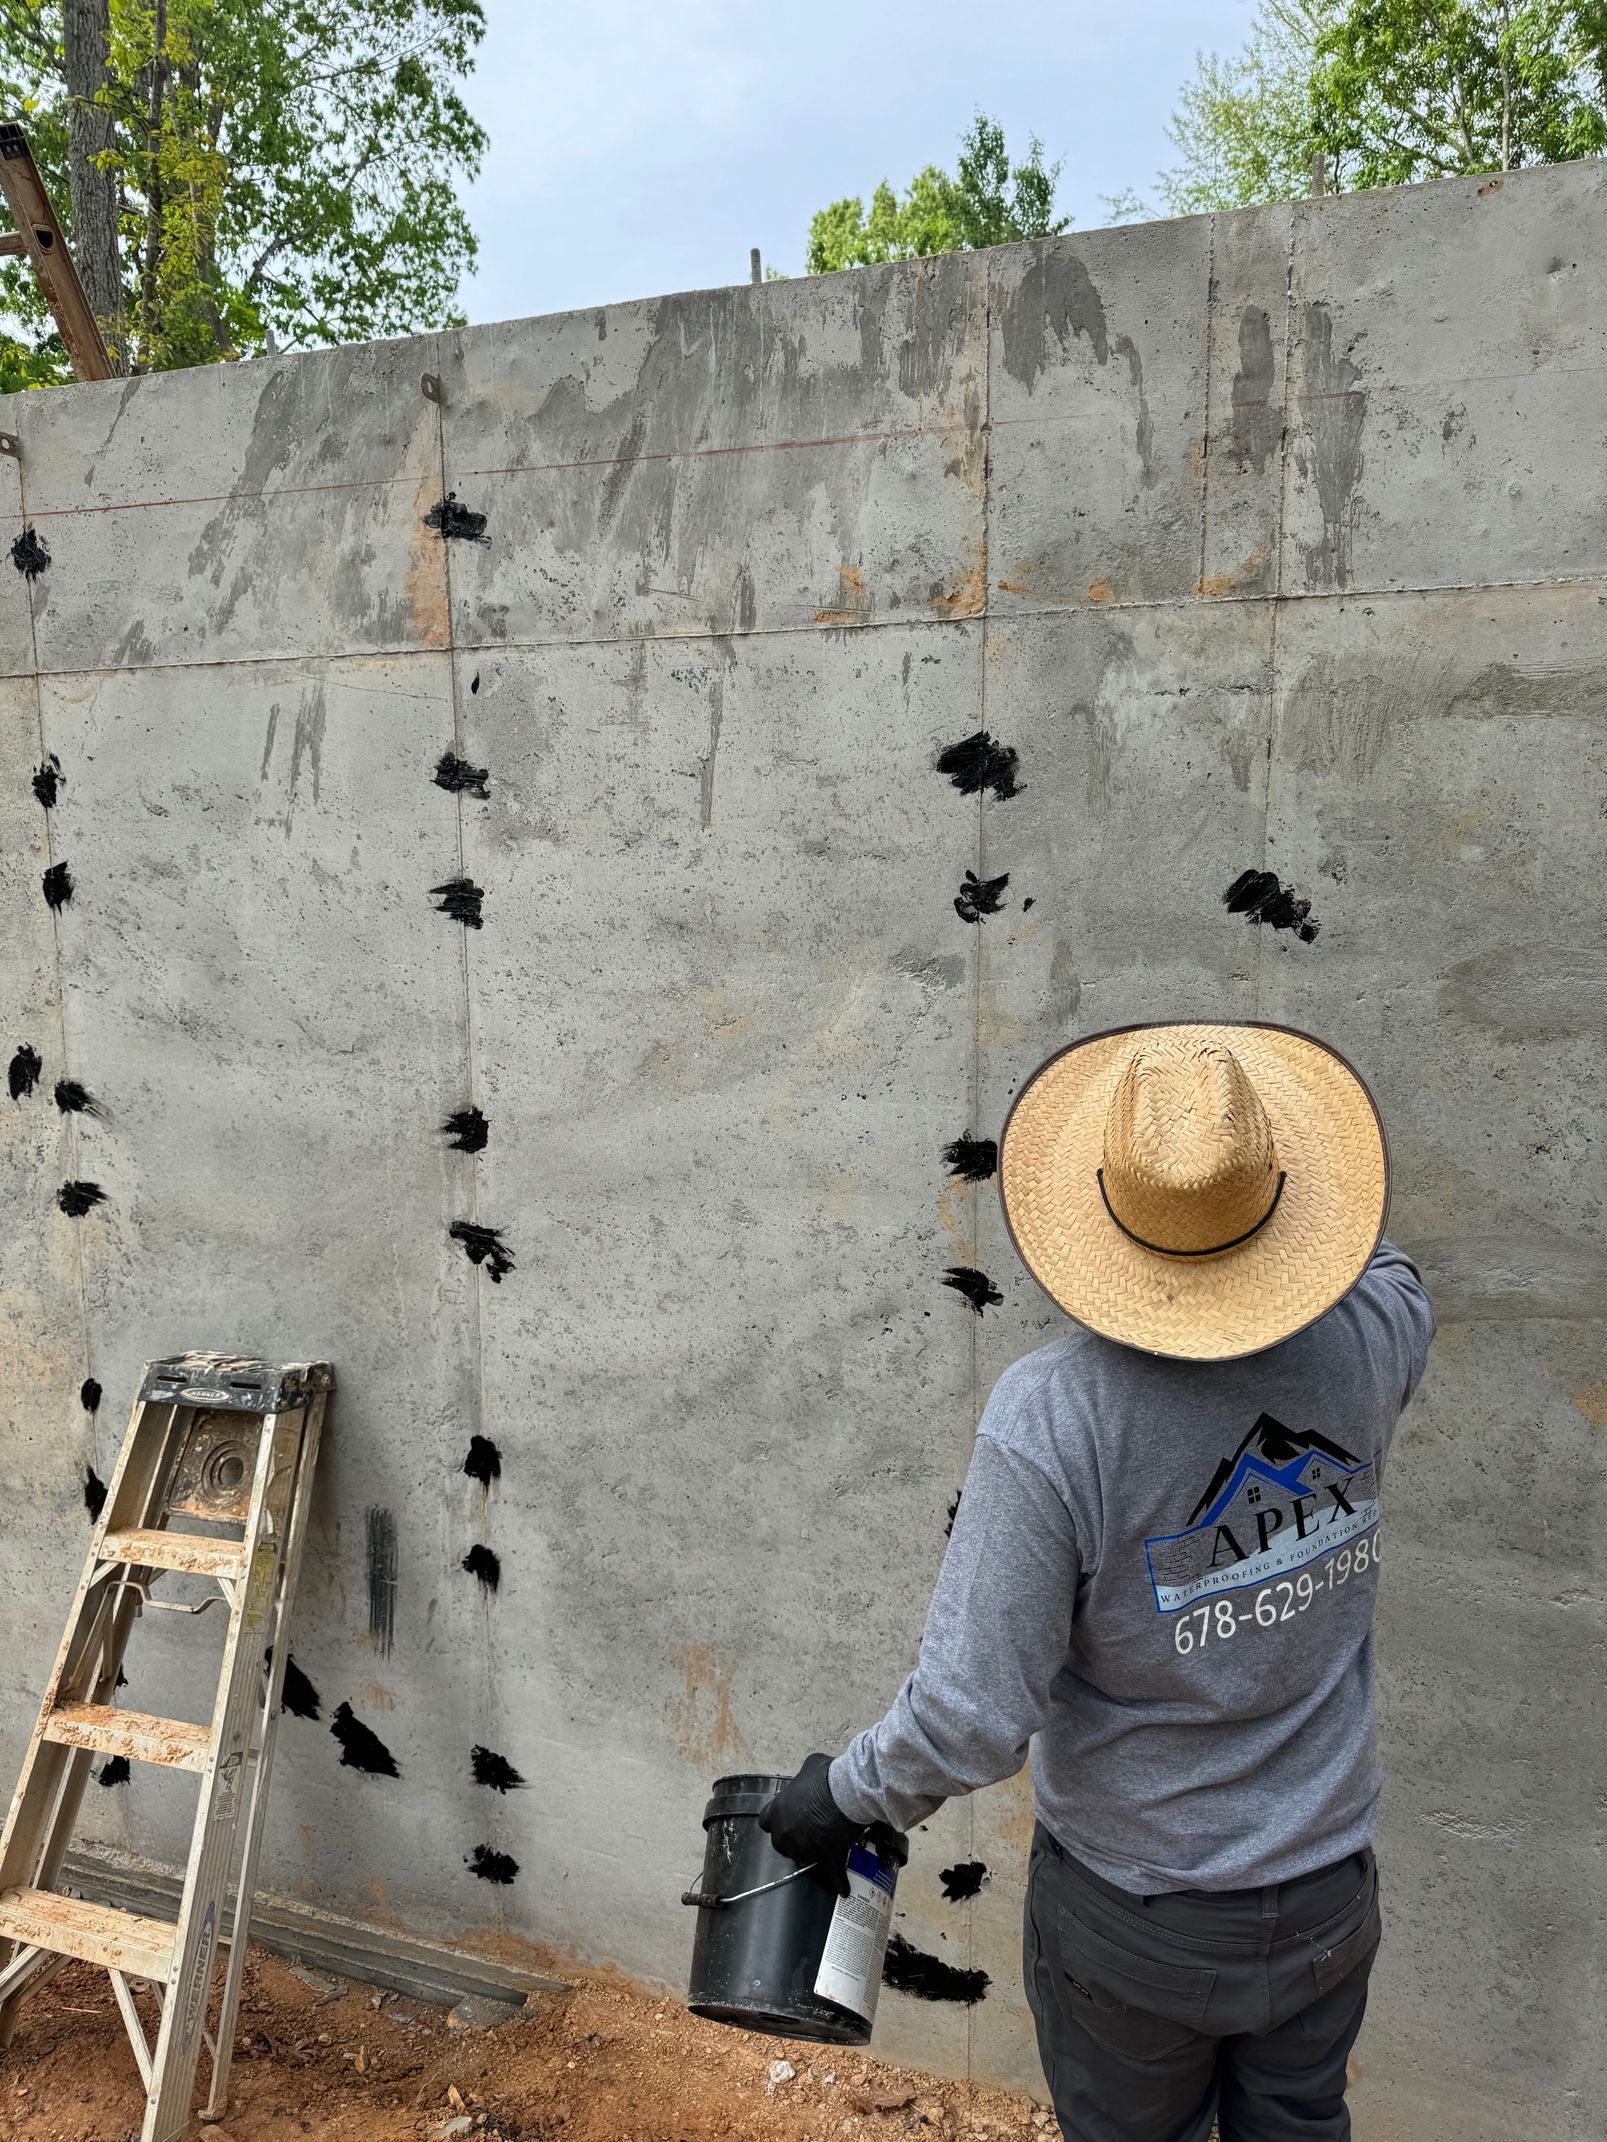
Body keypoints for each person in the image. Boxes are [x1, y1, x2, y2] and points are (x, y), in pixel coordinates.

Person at [761, 1022, 1435, 2142]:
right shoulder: (1367, 1337)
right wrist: (1296, 1216)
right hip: (1325, 1891)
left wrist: (843, 1797)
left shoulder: (1056, 1416)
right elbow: (1390, 1265)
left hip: (1139, 1918)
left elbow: (970, 1716)